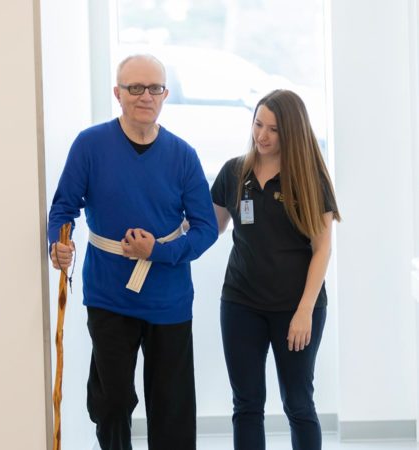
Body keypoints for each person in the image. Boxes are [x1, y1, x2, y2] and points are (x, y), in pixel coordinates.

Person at [48, 54, 218, 450]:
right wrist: (58, 242)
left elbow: (206, 228)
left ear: (165, 95)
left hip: (169, 300)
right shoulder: (90, 145)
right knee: (110, 402)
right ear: (118, 94)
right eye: (135, 88)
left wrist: (157, 251)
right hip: (109, 295)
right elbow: (63, 208)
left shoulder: (183, 156)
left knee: (172, 408)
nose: (145, 96)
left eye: (154, 88)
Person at [211, 89, 341, 450]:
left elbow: (322, 249)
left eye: (273, 129)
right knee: (247, 405)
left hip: (296, 307)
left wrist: (304, 313)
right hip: (241, 304)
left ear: (292, 133)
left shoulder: (310, 177)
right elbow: (210, 226)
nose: (262, 135)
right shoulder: (235, 172)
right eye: (258, 124)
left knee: (298, 404)